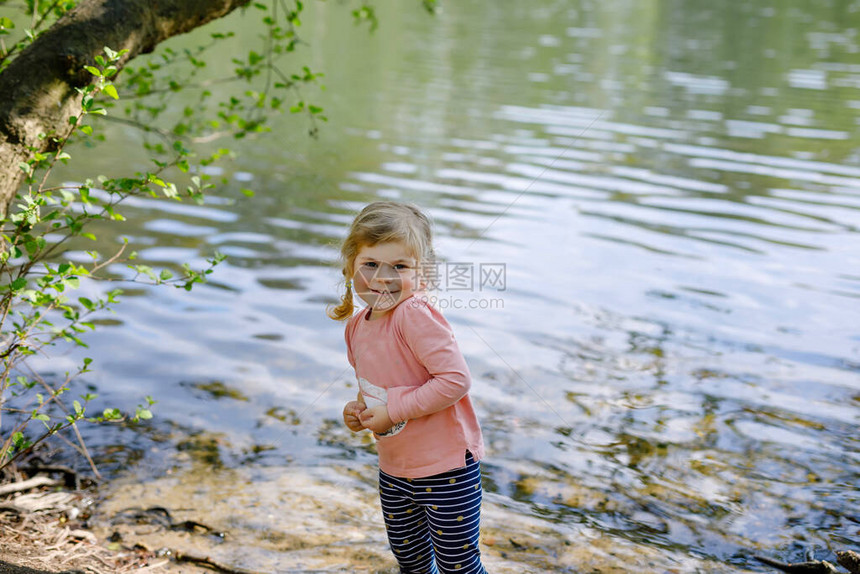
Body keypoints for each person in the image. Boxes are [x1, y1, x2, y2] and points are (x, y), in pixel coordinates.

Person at [329, 201, 488, 574]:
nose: (383, 277)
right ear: (351, 264)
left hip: (446, 470)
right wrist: (357, 410)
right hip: (395, 469)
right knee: (411, 561)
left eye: (399, 266)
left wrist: (394, 410)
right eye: (370, 264)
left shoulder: (413, 314)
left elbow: (455, 380)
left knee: (458, 566)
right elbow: (375, 387)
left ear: (422, 274)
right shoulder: (357, 326)